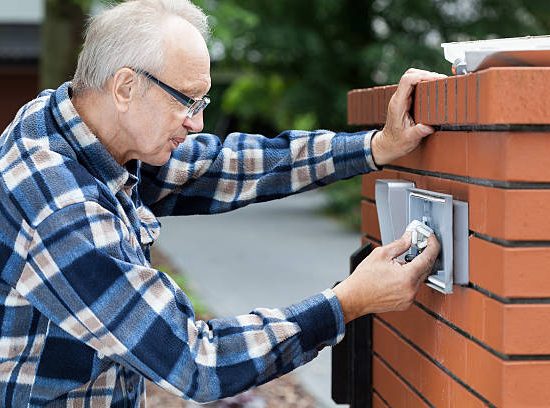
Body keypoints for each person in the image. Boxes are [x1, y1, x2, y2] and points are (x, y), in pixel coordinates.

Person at [0, 0, 441, 406]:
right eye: (187, 101)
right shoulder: (60, 208)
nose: (197, 122)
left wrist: (377, 146)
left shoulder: (77, 125)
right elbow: (196, 360)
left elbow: (225, 166)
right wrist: (347, 303)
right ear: (125, 87)